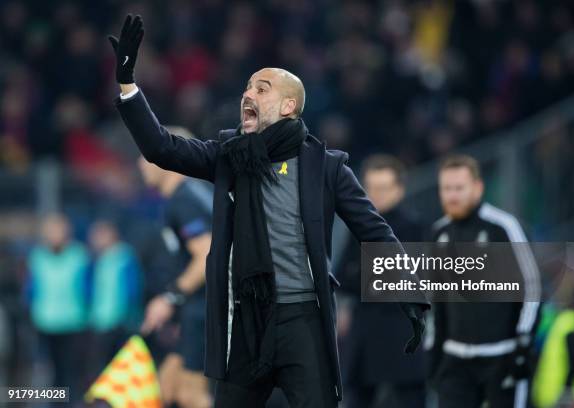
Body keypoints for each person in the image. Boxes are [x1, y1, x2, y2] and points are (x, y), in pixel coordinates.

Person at [108, 14, 428, 408]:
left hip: (304, 320)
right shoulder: (230, 156)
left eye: (262, 88)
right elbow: (161, 148)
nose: (248, 94)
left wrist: (409, 290)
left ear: (289, 105)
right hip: (248, 321)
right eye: (247, 87)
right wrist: (127, 83)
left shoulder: (326, 167)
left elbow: (374, 232)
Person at [428, 154, 541, 408]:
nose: (452, 195)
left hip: (502, 357)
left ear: (478, 187)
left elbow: (531, 287)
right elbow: (436, 298)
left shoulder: (504, 227)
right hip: (455, 360)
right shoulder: (439, 233)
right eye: (446, 188)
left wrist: (523, 342)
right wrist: (433, 351)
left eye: (459, 188)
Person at [337, 154, 426, 408]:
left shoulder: (413, 226)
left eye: (384, 188)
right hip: (364, 339)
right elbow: (343, 275)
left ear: (399, 189)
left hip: (402, 336)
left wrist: (364, 274)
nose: (377, 195)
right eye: (372, 188)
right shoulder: (358, 225)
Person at [137, 127, 214, 408]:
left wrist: (170, 297)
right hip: (194, 309)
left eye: (146, 153)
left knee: (192, 394)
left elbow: (207, 254)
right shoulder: (191, 195)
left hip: (203, 309)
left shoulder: (185, 199)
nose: (139, 162)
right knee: (165, 389)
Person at [26, 213, 90, 398]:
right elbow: (31, 288)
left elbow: (88, 287)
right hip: (45, 321)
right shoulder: (37, 256)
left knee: (72, 372)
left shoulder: (79, 255)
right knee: (50, 373)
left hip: (73, 321)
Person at [87, 220, 142, 379]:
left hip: (121, 321)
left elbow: (133, 288)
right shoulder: (98, 260)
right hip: (100, 320)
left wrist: (129, 314)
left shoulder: (125, 257)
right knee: (100, 365)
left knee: (120, 365)